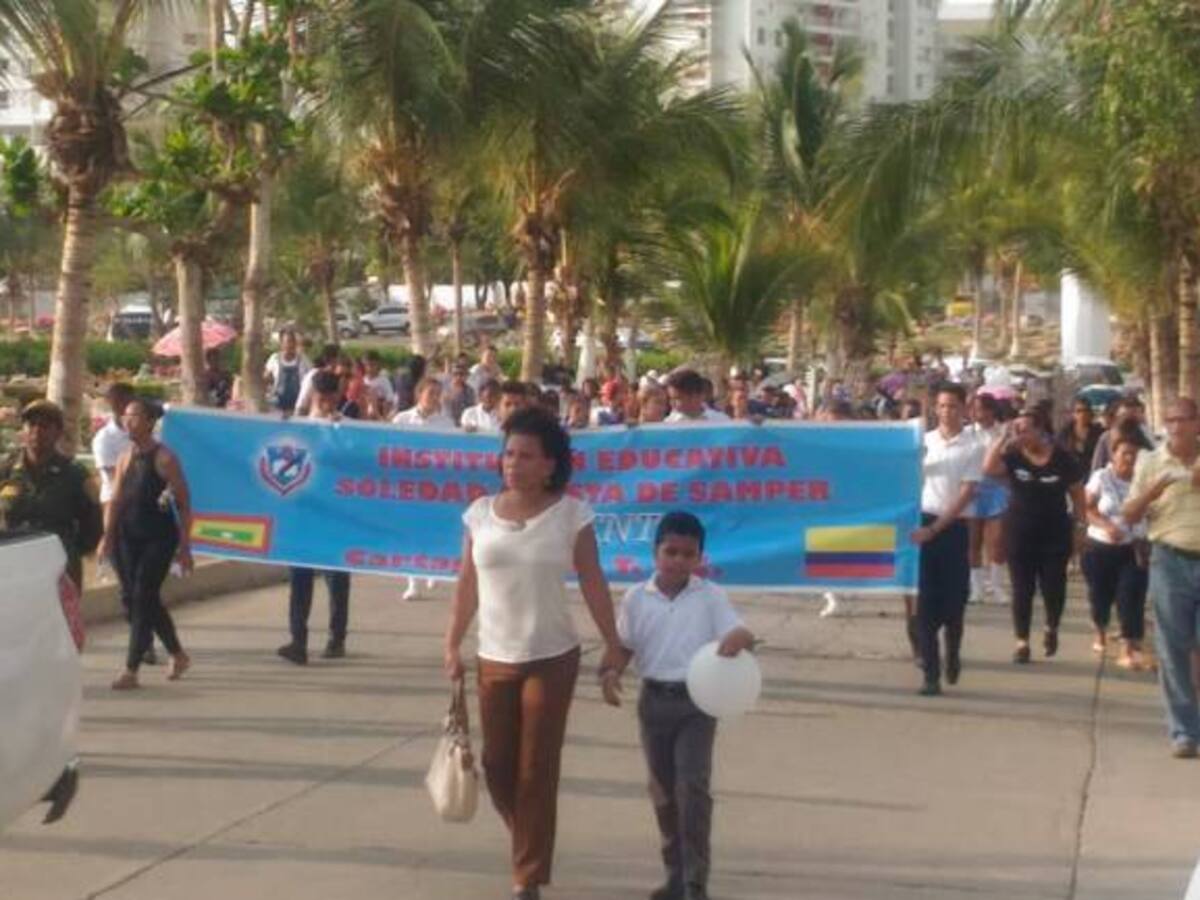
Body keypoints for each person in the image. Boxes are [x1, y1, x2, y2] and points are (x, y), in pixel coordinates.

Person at [444, 407, 623, 900]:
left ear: (549, 464)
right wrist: (451, 643)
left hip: (552, 655)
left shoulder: (572, 514)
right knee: (498, 766)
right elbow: (466, 583)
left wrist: (612, 641)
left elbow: (592, 578)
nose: (513, 464)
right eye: (507, 454)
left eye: (525, 456)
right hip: (494, 657)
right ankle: (531, 840)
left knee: (535, 768)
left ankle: (527, 878)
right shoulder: (479, 512)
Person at [602, 512, 755, 900]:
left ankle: (694, 882)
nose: (679, 561)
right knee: (664, 793)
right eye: (671, 551)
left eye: (689, 554)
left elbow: (739, 629)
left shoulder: (710, 596)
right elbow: (625, 646)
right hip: (653, 702)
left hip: (697, 704)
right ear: (655, 553)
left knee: (692, 788)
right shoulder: (637, 598)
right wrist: (611, 672)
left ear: (700, 558)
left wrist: (738, 639)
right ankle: (674, 874)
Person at [1123, 398, 1200, 758]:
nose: (1176, 426)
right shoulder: (1150, 462)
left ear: (1197, 423)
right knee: (1173, 648)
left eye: (1183, 419)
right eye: (1170, 420)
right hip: (1169, 560)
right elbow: (1129, 513)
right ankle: (1183, 730)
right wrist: (1153, 492)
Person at [99, 399, 194, 690]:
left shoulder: (165, 458)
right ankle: (178, 654)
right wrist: (107, 536)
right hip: (128, 536)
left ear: (151, 421)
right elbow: (115, 499)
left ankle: (131, 669)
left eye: (135, 416)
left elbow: (185, 504)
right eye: (125, 416)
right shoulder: (126, 455)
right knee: (137, 598)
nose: (128, 421)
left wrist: (185, 547)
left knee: (142, 596)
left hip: (159, 537)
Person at [983, 409, 1086, 664]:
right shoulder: (1014, 456)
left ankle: (1051, 627)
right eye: (1016, 430)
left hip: (1055, 533)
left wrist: (1080, 528)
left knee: (1053, 587)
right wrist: (1003, 437)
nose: (1020, 435)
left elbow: (1077, 495)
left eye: (1024, 430)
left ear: (1040, 430)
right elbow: (988, 468)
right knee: (1022, 589)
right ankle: (1022, 641)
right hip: (1019, 532)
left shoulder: (1063, 458)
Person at [278, 371, 356, 665]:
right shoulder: (298, 427)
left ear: (337, 396)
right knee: (299, 579)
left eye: (329, 397)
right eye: (319, 397)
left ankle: (337, 637)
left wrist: (339, 436)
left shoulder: (347, 428)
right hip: (303, 514)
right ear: (312, 395)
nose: (324, 403)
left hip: (336, 515)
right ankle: (298, 640)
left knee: (337, 580)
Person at [911, 384, 981, 695]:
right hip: (922, 526)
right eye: (941, 406)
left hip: (952, 529)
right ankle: (931, 674)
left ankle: (952, 652)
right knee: (924, 605)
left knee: (954, 605)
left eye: (952, 406)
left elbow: (967, 494)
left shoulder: (972, 446)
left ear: (963, 409)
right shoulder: (922, 443)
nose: (946, 412)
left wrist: (937, 528)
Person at [0, 400, 102, 590]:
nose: (37, 431)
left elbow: (94, 525)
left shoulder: (75, 475)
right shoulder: (5, 470)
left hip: (59, 571)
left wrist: (67, 550)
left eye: (45, 425)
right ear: (23, 430)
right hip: (13, 567)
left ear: (58, 432)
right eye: (31, 424)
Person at [1082, 434, 1149, 669]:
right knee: (1100, 597)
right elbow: (1087, 508)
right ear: (1114, 454)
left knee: (1130, 596)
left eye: (1134, 454)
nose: (1129, 458)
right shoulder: (1101, 477)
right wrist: (1106, 525)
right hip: (1100, 547)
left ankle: (1128, 647)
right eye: (1124, 453)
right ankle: (1100, 629)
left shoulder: (1145, 479)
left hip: (1134, 547)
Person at [968, 393, 1009, 605]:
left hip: (997, 489)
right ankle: (976, 588)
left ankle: (997, 586)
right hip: (972, 489)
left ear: (991, 410)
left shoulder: (1003, 432)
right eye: (974, 409)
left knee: (997, 542)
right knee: (973, 541)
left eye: (982, 408)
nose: (977, 413)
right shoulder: (967, 433)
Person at [92, 383, 135, 508]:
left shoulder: (145, 434)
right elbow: (113, 477)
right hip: (114, 504)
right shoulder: (104, 438)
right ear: (110, 403)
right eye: (119, 400)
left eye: (127, 400)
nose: (123, 405)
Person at [1091, 396, 1153, 472]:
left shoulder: (1146, 435)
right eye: (1124, 416)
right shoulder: (1106, 438)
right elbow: (1097, 467)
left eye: (1133, 417)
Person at [263, 328, 311, 414]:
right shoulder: (274, 359)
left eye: (293, 341)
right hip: (277, 406)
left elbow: (312, 380)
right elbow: (265, 379)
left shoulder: (303, 359)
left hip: (297, 407)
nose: (291, 344)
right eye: (288, 341)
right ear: (281, 343)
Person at [1057, 398, 1104, 472]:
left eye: (1085, 410)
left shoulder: (1098, 433)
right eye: (1078, 411)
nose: (1082, 414)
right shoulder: (1065, 433)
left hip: (1091, 472)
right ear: (1073, 414)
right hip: (1070, 472)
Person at [362, 350, 396, 420]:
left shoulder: (383, 380)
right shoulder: (363, 380)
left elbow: (390, 400)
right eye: (367, 365)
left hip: (380, 411)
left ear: (378, 364)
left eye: (372, 365)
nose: (369, 368)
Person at [443, 362, 477, 426]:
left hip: (462, 425)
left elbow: (472, 410)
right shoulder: (443, 388)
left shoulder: (470, 391)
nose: (458, 377)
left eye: (461, 374)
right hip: (444, 423)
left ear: (466, 376)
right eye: (455, 374)